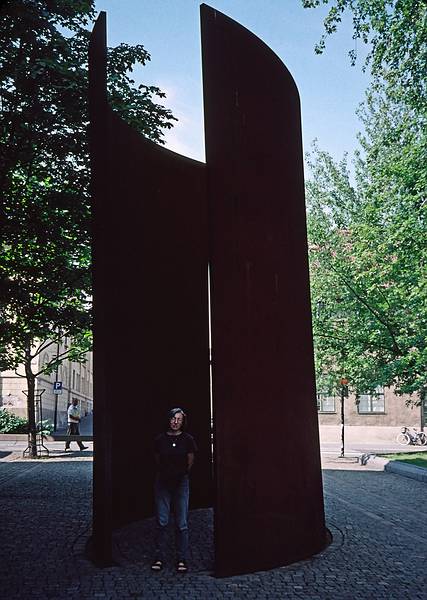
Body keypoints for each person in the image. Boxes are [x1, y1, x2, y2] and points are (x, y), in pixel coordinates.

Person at [151, 407, 197, 573]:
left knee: (182, 523)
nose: (176, 422)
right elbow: (157, 459)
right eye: (173, 418)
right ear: (168, 420)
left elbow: (190, 461)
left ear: (183, 421)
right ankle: (159, 557)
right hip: (163, 482)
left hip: (180, 483)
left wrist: (180, 474)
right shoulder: (160, 440)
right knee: (162, 521)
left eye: (179, 419)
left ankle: (181, 558)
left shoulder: (188, 439)